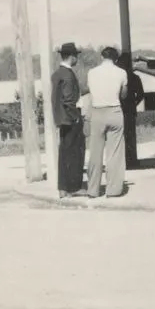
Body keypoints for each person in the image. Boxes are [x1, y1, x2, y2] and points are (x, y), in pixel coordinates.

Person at [86, 46, 128, 198]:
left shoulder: (92, 73)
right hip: (115, 111)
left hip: (97, 112)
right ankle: (114, 190)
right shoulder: (121, 72)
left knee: (95, 153)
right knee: (114, 153)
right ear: (115, 59)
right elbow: (124, 95)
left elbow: (91, 92)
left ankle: (92, 190)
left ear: (101, 57)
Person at [50, 42, 87, 198]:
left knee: (64, 153)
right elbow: (68, 100)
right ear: (71, 57)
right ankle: (74, 187)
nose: (77, 58)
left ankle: (63, 188)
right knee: (75, 154)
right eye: (76, 56)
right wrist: (76, 117)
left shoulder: (57, 73)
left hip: (61, 119)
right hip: (71, 119)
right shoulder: (68, 75)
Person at [118, 52, 145, 169]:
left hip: (118, 109)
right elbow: (141, 95)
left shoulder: (117, 77)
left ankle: (122, 161)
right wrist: (134, 103)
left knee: (119, 137)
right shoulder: (135, 77)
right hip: (129, 109)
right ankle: (132, 160)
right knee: (130, 136)